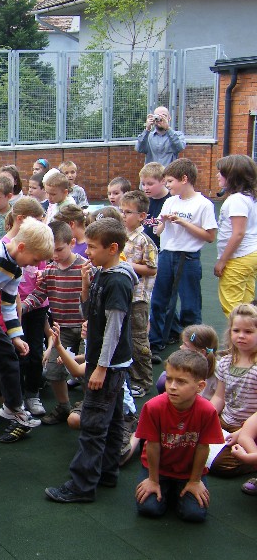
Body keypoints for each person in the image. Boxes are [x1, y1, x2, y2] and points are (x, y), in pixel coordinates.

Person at [45, 218, 137, 503]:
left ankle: (81, 486)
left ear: (113, 248)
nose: (88, 253)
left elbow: (114, 328)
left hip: (108, 365)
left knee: (94, 425)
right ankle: (108, 472)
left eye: (93, 248)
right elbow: (90, 312)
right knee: (113, 421)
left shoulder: (119, 280)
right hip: (106, 362)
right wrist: (86, 285)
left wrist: (100, 367)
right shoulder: (102, 273)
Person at [0, 216, 55, 443]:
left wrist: (17, 336)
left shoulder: (16, 270)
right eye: (34, 259)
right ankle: (14, 408)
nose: (34, 265)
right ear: (22, 246)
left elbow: (8, 305)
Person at [134, 349, 223, 522]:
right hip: (158, 468)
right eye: (169, 379)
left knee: (194, 515)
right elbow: (152, 445)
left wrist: (195, 481)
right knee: (149, 509)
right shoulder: (153, 407)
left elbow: (203, 447)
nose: (172, 386)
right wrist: (152, 480)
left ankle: (178, 490)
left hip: (189, 471)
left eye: (181, 382)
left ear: (200, 386)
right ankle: (168, 489)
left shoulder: (207, 411)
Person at [149, 159, 217, 351]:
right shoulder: (170, 202)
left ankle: (195, 344)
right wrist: (162, 222)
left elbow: (210, 236)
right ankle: (157, 341)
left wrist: (183, 222)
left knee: (190, 304)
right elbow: (158, 232)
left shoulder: (203, 204)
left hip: (188, 257)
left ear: (184, 179)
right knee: (159, 300)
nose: (167, 185)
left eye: (170, 181)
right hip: (167, 254)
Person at [22, 220, 85, 425]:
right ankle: (63, 405)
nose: (56, 255)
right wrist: (22, 307)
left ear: (72, 243)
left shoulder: (85, 267)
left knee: (89, 372)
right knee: (54, 371)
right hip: (62, 329)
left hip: (85, 328)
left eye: (60, 249)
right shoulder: (49, 271)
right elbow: (39, 295)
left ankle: (89, 406)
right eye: (52, 251)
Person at [209, 304, 257, 477]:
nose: (241, 336)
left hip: (249, 428)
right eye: (236, 330)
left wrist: (242, 432)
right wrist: (205, 416)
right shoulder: (225, 362)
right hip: (225, 421)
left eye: (248, 332)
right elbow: (219, 397)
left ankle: (250, 461)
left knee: (222, 465)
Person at [120, 190, 158, 396]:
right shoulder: (121, 236)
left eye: (128, 212)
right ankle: (129, 375)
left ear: (142, 216)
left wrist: (128, 265)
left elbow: (152, 269)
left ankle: (142, 380)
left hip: (138, 299)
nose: (123, 215)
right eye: (122, 211)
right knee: (124, 338)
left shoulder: (144, 241)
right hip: (123, 296)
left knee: (138, 340)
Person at [213, 155, 257, 315]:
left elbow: (238, 233)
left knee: (232, 307)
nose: (217, 175)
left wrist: (222, 261)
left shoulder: (237, 200)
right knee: (246, 305)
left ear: (232, 176)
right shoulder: (250, 197)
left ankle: (237, 338)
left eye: (221, 173)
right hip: (250, 255)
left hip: (238, 257)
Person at [139, 162, 168, 247]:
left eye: (150, 184)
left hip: (164, 248)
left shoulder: (171, 201)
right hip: (145, 247)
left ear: (163, 181)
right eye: (143, 184)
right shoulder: (142, 201)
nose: (145, 188)